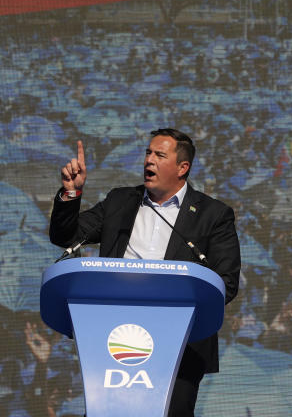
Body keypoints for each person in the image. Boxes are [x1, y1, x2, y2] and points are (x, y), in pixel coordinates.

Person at [49, 128, 241, 417]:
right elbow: (67, 235)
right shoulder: (120, 202)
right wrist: (71, 192)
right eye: (148, 153)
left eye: (159, 155)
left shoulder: (213, 215)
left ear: (182, 168)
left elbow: (225, 283)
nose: (149, 160)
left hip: (181, 345)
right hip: (112, 337)